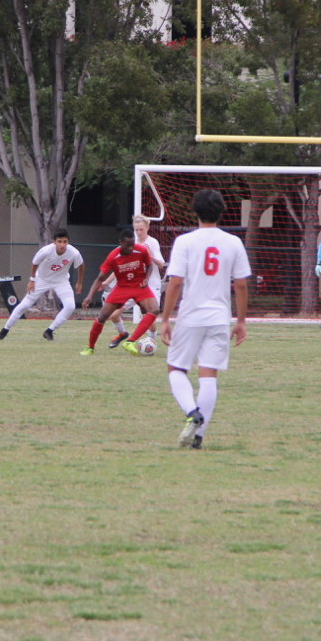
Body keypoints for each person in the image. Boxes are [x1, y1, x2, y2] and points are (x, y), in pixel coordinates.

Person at [159, 189, 251, 449]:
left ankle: (191, 412)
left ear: (194, 211)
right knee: (208, 374)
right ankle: (199, 437)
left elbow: (176, 282)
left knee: (176, 369)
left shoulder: (185, 241)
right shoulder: (233, 242)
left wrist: (165, 319)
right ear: (221, 211)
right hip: (219, 317)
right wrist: (241, 321)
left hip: (190, 315)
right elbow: (241, 285)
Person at [80, 229, 159, 356]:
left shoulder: (141, 250)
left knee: (154, 309)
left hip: (139, 286)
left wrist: (145, 278)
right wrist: (89, 296)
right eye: (128, 245)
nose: (131, 247)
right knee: (102, 316)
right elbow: (100, 278)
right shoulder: (113, 256)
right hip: (121, 288)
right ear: (120, 243)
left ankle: (130, 341)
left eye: (132, 244)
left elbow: (149, 265)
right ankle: (90, 347)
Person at [0, 228, 85, 341]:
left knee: (70, 306)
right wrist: (32, 280)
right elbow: (34, 263)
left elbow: (81, 265)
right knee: (24, 305)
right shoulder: (46, 251)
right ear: (54, 241)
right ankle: (4, 331)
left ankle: (49, 331)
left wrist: (79, 282)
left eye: (65, 241)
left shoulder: (74, 252)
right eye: (59, 241)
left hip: (61, 281)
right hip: (41, 279)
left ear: (68, 242)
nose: (62, 244)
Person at [107, 214, 166, 348]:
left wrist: (150, 255)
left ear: (147, 228)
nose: (139, 232)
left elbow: (162, 264)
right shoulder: (130, 245)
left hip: (151, 285)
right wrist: (107, 282)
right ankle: (122, 334)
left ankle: (151, 342)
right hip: (133, 286)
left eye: (141, 230)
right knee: (114, 314)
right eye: (137, 230)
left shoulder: (152, 242)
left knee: (150, 316)